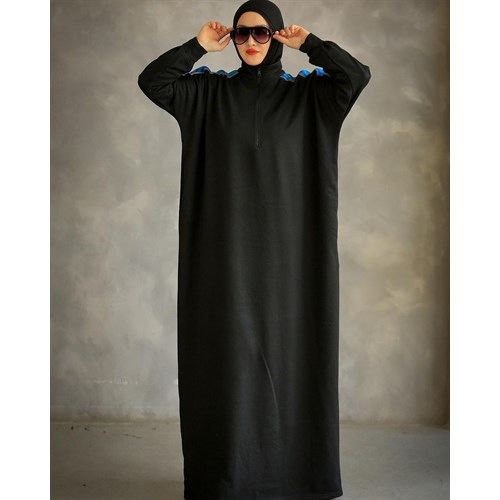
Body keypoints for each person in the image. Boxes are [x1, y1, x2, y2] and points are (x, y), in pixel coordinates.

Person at [138, 0, 371, 498]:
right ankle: (227, 476)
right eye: (242, 33)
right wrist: (197, 47)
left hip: (296, 258)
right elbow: (153, 82)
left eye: (263, 33)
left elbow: (356, 76)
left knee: (295, 356)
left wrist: (311, 45)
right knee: (222, 362)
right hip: (221, 257)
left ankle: (298, 476)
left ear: (277, 36)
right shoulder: (207, 94)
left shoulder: (311, 97)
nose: (250, 42)